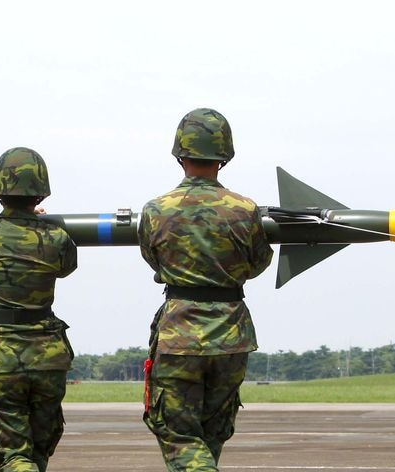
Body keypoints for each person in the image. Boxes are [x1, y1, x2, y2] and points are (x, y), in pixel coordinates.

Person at [138, 108, 274, 471]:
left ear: (179, 154)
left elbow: (155, 261)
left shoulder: (155, 210)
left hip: (180, 333)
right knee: (211, 435)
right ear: (224, 156)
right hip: (232, 335)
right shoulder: (246, 210)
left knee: (180, 436)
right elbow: (259, 263)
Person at [0, 147, 77, 472]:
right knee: (38, 454)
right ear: (41, 190)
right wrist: (39, 225)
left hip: (1, 357)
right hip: (46, 357)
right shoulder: (56, 238)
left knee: (14, 456)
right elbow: (66, 266)